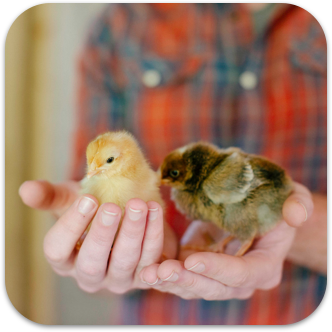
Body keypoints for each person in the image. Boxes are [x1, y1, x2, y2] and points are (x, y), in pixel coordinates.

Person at [19, 3, 326, 324]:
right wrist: (97, 259)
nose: (163, 183)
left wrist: (290, 222)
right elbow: (93, 266)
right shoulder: (121, 25)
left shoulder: (213, 184)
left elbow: (258, 194)